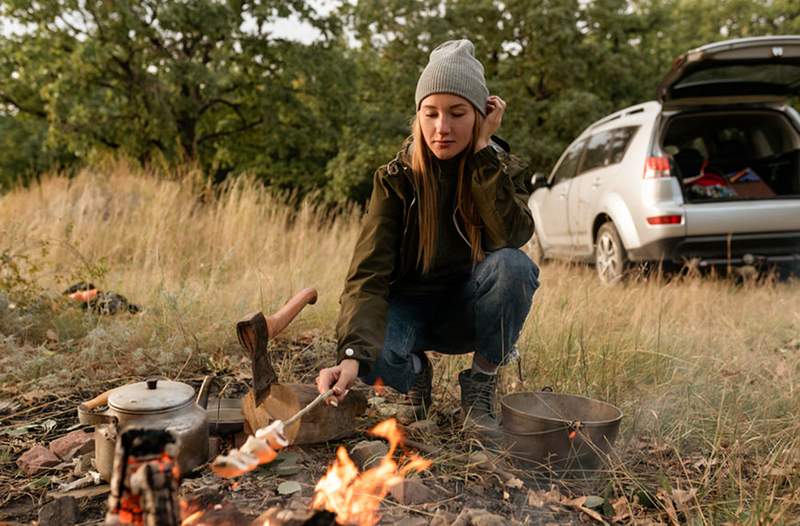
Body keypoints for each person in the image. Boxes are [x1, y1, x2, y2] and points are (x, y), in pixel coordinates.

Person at [315, 39, 540, 438]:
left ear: (480, 114)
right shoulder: (395, 180)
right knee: (372, 355)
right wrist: (350, 357)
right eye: (430, 113)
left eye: (457, 113)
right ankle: (417, 373)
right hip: (410, 312)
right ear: (418, 115)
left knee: (515, 266)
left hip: (468, 310)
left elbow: (512, 235)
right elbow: (367, 274)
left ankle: (481, 386)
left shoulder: (496, 168)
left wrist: (485, 151)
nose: (442, 128)